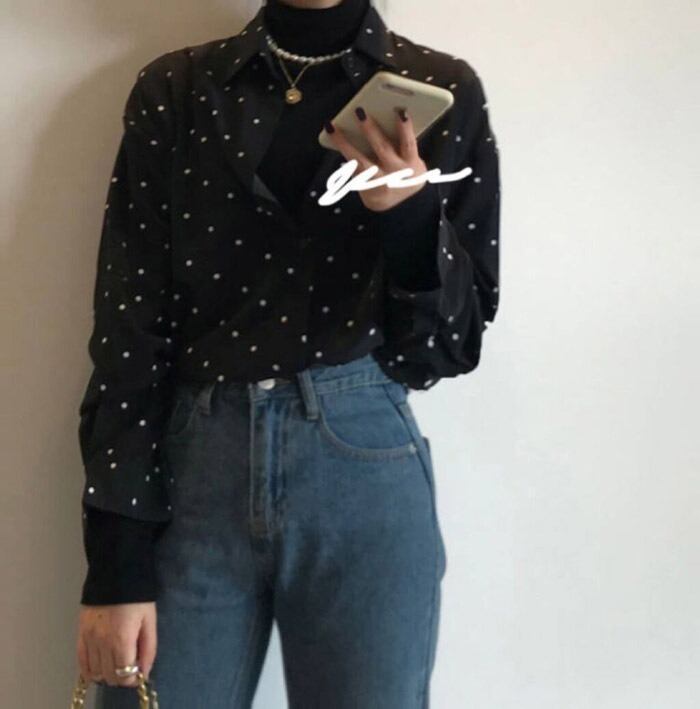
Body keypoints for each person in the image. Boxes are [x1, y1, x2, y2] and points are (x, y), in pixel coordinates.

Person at [75, 0, 500, 706]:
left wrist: (408, 216)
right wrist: (115, 566)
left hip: (361, 463)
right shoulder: (177, 89)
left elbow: (451, 347)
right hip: (192, 473)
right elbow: (129, 332)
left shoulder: (439, 88)